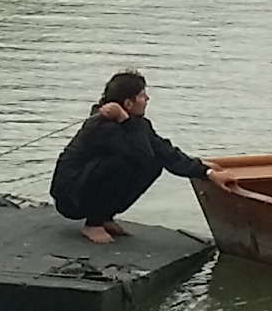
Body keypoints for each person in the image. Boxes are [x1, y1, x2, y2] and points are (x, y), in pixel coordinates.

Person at [50, 72, 210, 242]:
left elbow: (163, 150)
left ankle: (105, 216)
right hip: (71, 197)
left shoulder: (138, 123)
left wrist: (205, 171)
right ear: (128, 103)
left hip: (86, 186)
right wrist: (125, 121)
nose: (147, 99)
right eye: (142, 95)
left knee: (155, 162)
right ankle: (93, 224)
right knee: (121, 164)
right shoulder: (103, 126)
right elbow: (140, 156)